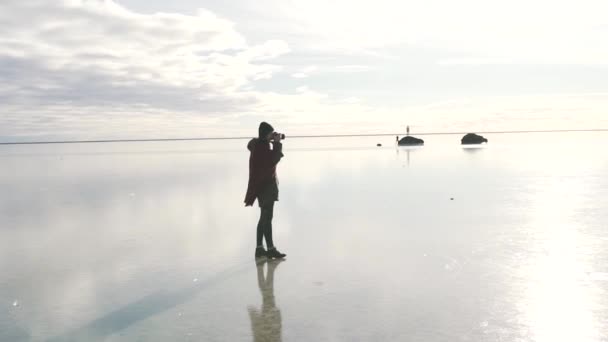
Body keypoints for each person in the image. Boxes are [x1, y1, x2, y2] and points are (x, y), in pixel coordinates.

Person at [244, 122, 287, 259]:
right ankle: (270, 249)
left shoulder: (258, 145)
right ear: (265, 134)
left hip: (262, 186)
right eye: (271, 134)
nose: (272, 136)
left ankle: (259, 248)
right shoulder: (262, 147)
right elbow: (273, 160)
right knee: (267, 218)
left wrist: (273, 143)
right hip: (266, 187)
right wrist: (278, 144)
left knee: (264, 218)